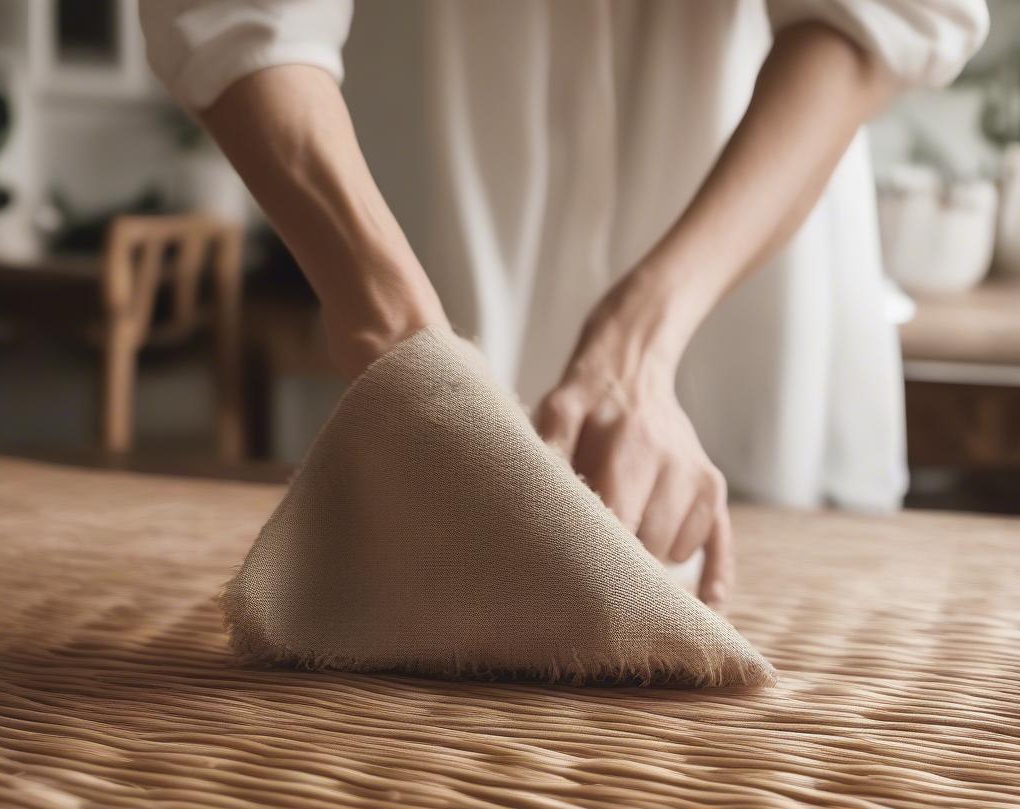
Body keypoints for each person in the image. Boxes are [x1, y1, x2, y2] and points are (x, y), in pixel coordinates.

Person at [139, 0, 987, 606]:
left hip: (756, 320)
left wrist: (638, 345)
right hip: (445, 273)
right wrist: (400, 337)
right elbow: (235, 17)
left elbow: (871, 23)